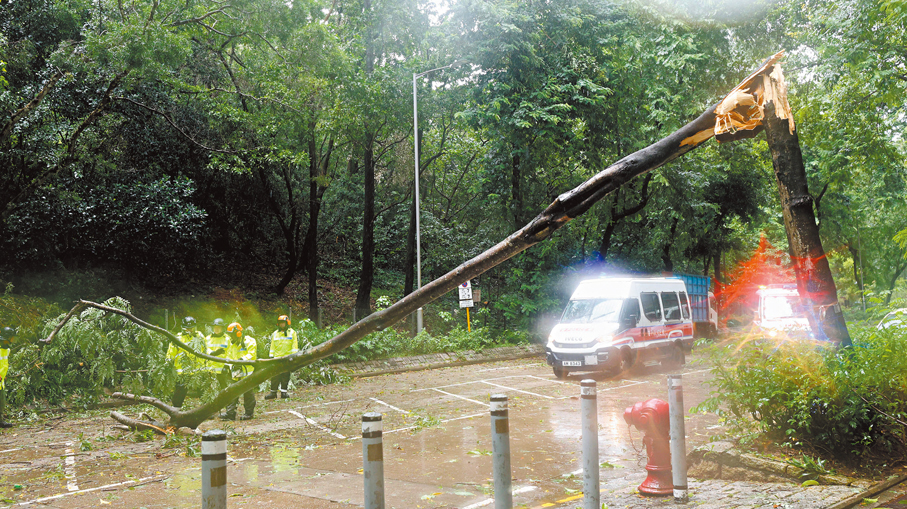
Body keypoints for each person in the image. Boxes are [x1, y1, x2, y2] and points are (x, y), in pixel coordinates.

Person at [216, 322, 257, 421]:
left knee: (248, 393)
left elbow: (252, 354)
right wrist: (227, 365)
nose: (230, 336)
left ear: (238, 333)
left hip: (248, 371)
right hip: (236, 371)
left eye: (231, 334)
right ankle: (230, 414)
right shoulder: (232, 343)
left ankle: (249, 413)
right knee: (232, 391)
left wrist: (242, 360)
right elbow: (229, 356)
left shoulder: (250, 341)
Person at [166, 316, 206, 409]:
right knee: (180, 391)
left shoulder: (199, 336)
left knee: (202, 390)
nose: (189, 330)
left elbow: (205, 350)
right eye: (187, 328)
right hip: (182, 370)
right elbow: (171, 351)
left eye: (191, 328)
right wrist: (168, 361)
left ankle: (205, 409)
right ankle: (176, 409)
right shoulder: (178, 338)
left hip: (197, 368)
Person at [264, 314, 298, 400]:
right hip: (276, 358)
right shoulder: (275, 334)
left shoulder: (292, 333)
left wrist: (294, 357)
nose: (281, 325)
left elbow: (294, 346)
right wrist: (271, 356)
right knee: (275, 376)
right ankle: (273, 393)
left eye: (283, 323)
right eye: (280, 323)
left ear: (287, 323)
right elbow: (272, 346)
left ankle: (284, 393)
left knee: (285, 376)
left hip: (287, 358)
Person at [0, 327, 16, 428]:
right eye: (12, 337)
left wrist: (4, 375)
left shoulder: (7, 350)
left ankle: (0, 421)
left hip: (1, 381)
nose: (13, 339)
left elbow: (4, 364)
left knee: (1, 401)